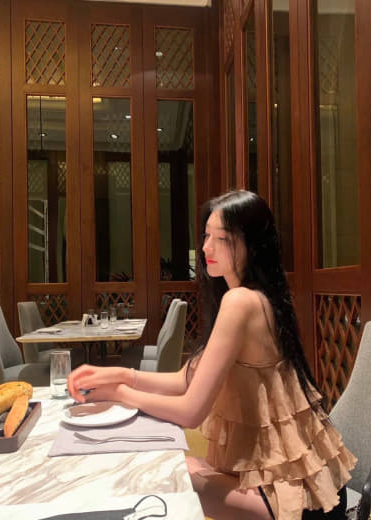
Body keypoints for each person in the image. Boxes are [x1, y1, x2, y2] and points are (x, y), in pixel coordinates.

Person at [68, 190, 356, 520]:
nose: (206, 248)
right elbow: (184, 380)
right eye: (206, 236)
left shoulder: (242, 302)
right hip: (300, 479)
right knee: (172, 464)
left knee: (160, 478)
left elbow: (190, 412)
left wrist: (120, 393)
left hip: (300, 497)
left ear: (252, 245)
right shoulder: (250, 296)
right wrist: (121, 374)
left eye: (222, 238)